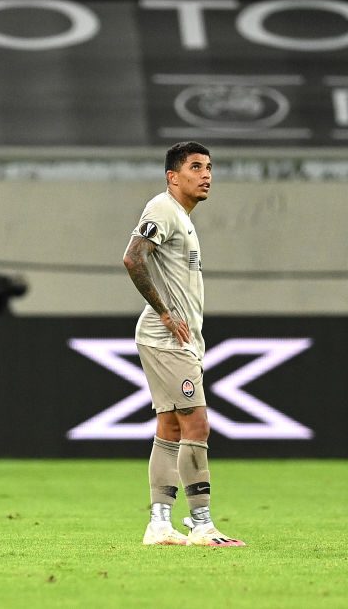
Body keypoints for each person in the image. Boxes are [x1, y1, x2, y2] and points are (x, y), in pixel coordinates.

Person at [122, 141, 244, 547]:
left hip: (176, 340)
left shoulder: (182, 218)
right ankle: (202, 523)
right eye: (195, 167)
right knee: (197, 423)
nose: (206, 174)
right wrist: (163, 311)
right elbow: (132, 257)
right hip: (166, 339)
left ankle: (159, 524)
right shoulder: (162, 209)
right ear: (173, 177)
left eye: (209, 167)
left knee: (171, 426)